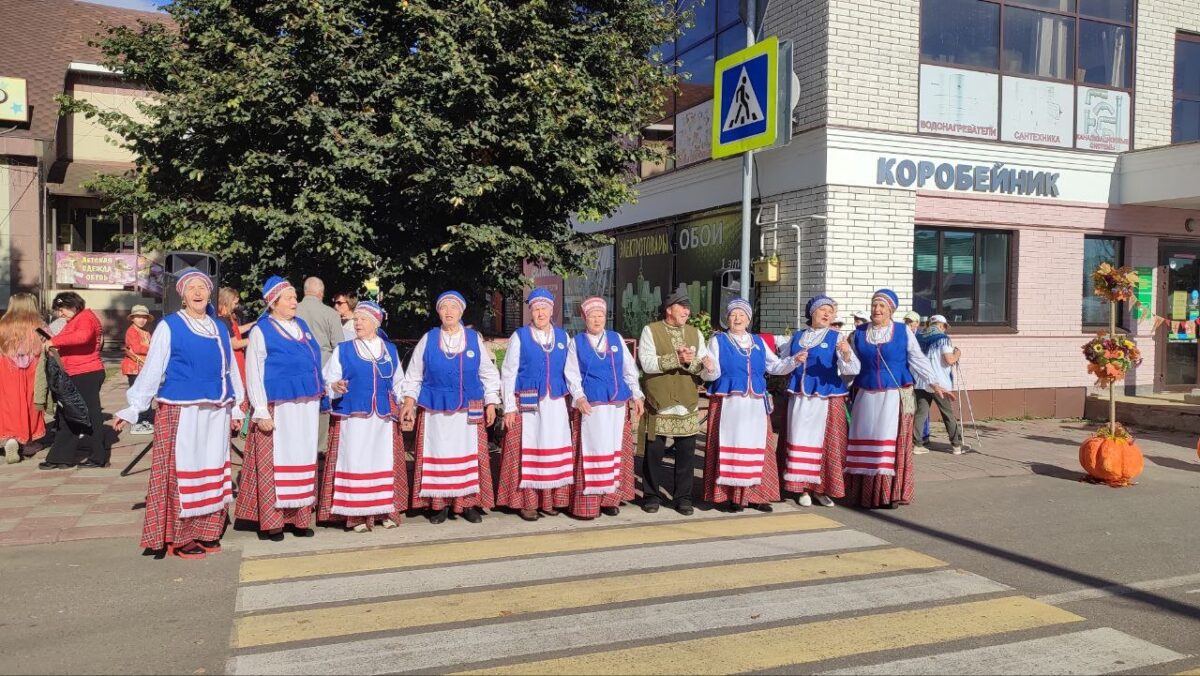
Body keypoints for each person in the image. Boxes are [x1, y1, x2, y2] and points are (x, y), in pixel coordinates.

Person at [113, 269, 244, 559]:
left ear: (210, 293)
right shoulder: (170, 326)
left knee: (211, 469)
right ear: (182, 296)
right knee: (185, 471)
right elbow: (153, 369)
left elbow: (230, 369)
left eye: (203, 287)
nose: (198, 292)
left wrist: (237, 406)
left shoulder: (219, 327)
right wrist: (134, 407)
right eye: (191, 288)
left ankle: (208, 530)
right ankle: (180, 536)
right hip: (183, 409)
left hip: (216, 409)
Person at [844, 289, 951, 509]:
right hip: (865, 395)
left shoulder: (903, 332)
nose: (877, 309)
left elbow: (917, 360)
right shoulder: (860, 333)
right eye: (874, 305)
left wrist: (934, 382)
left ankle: (888, 493)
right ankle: (863, 492)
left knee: (887, 441)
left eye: (882, 306)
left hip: (893, 396)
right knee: (865, 439)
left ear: (891, 310)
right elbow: (851, 366)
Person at [235, 276, 324, 540]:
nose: (295, 301)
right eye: (290, 298)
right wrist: (260, 410)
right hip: (278, 406)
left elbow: (314, 363)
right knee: (275, 463)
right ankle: (273, 523)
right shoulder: (263, 330)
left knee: (304, 460)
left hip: (305, 406)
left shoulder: (303, 326)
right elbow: (254, 371)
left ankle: (299, 519)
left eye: (295, 297)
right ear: (273, 303)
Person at [400, 291, 500, 524]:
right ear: (438, 312)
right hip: (436, 407)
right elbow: (414, 374)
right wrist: (409, 401)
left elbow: (488, 373)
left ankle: (467, 504)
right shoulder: (429, 338)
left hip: (469, 407)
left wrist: (492, 402)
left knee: (468, 455)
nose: (448, 312)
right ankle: (440, 504)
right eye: (444, 308)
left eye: (453, 308)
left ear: (461, 312)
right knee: (438, 455)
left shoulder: (474, 338)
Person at [318, 301, 408, 532]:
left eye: (363, 319)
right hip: (353, 416)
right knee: (355, 461)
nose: (357, 323)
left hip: (383, 418)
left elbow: (399, 381)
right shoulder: (344, 349)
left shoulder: (390, 350)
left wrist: (405, 403)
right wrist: (334, 386)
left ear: (375, 323)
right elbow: (327, 380)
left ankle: (383, 511)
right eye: (356, 319)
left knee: (382, 461)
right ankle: (355, 516)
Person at [700, 298, 797, 512]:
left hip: (754, 404)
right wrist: (707, 366)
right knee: (732, 445)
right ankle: (733, 496)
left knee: (756, 447)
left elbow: (776, 366)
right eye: (733, 315)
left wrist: (794, 361)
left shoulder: (758, 342)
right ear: (727, 318)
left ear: (748, 319)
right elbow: (713, 373)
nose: (737, 318)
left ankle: (757, 495)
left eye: (742, 315)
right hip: (730, 402)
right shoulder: (719, 341)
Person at [564, 296, 644, 519]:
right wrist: (579, 398)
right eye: (592, 316)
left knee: (613, 449)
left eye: (600, 315)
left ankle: (610, 498)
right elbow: (571, 374)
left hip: (617, 405)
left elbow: (630, 370)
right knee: (594, 450)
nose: (597, 320)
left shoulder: (616, 338)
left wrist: (637, 395)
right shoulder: (577, 342)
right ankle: (588, 502)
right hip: (592, 406)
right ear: (584, 319)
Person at [499, 288, 574, 521]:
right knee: (529, 449)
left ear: (552, 312)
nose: (541, 313)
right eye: (536, 309)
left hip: (555, 402)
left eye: (545, 309)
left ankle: (549, 500)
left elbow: (572, 372)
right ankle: (528, 502)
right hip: (527, 401)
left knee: (552, 448)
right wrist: (509, 406)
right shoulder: (520, 336)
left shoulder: (563, 337)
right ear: (530, 312)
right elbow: (509, 372)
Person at [780, 296, 860, 507]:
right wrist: (793, 361)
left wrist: (846, 354)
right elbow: (782, 366)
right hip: (800, 395)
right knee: (800, 439)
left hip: (826, 396)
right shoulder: (797, 337)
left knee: (826, 442)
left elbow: (853, 370)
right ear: (811, 313)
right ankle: (802, 488)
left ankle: (822, 488)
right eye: (822, 310)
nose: (827, 314)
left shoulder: (836, 337)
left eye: (830, 311)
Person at [637, 290, 707, 516]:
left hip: (686, 401)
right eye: (682, 306)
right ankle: (651, 495)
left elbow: (703, 365)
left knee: (686, 452)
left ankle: (683, 498)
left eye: (688, 307)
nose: (687, 311)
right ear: (669, 309)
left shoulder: (695, 333)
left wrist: (691, 362)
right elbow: (646, 363)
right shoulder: (651, 330)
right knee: (654, 452)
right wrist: (676, 358)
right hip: (660, 400)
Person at [42, 292, 109, 469]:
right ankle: (60, 457)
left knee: (90, 415)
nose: (60, 314)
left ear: (73, 306)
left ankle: (98, 457)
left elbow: (82, 337)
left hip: (86, 373)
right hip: (76, 373)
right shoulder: (75, 320)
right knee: (67, 415)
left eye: (62, 309)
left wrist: (55, 341)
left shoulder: (86, 318)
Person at [295, 276, 344, 457]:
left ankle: (298, 444)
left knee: (298, 402)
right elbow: (339, 344)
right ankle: (319, 446)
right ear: (321, 293)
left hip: (297, 361)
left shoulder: (293, 310)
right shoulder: (330, 313)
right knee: (322, 407)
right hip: (323, 362)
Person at [0, 293, 48, 464]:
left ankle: (11, 438)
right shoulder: (39, 326)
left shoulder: (3, 324)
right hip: (32, 369)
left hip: (6, 369)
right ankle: (28, 442)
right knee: (32, 403)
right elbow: (51, 342)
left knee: (8, 404)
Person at [913, 314, 964, 455]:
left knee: (921, 413)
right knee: (947, 413)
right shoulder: (943, 339)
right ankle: (956, 445)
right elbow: (949, 360)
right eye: (945, 327)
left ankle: (917, 444)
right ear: (941, 325)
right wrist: (958, 354)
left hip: (921, 381)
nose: (945, 330)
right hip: (939, 383)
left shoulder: (919, 338)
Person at [121, 305, 156, 436]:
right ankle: (138, 421)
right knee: (137, 394)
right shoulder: (132, 331)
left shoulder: (146, 332)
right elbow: (137, 348)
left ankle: (145, 419)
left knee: (147, 393)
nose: (142, 320)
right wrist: (154, 349)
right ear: (132, 318)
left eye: (144, 317)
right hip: (134, 368)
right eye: (138, 317)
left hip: (144, 367)